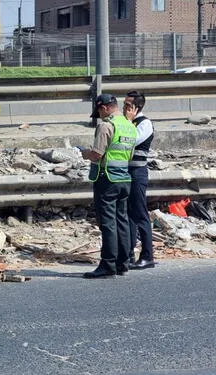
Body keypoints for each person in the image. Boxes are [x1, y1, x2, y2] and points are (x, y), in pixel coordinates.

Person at [80, 94, 137, 278]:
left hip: (107, 180)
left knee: (108, 224)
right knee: (122, 220)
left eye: (99, 111)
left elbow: (97, 154)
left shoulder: (106, 126)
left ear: (104, 107)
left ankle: (108, 264)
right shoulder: (129, 126)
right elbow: (129, 156)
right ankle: (123, 262)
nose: (99, 115)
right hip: (125, 180)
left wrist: (84, 153)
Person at [123, 90, 155, 269]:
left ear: (137, 107)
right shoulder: (128, 122)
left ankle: (147, 256)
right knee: (129, 215)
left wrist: (127, 122)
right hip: (126, 172)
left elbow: (130, 140)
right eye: (124, 104)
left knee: (140, 214)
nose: (124, 108)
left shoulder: (144, 123)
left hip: (138, 173)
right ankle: (128, 254)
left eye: (128, 105)